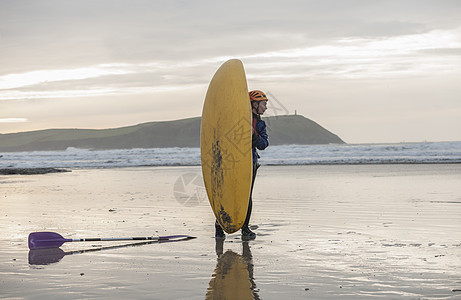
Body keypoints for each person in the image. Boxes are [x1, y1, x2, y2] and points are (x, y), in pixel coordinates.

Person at [215, 90, 269, 240]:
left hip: (250, 164)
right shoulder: (236, 121)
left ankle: (245, 228)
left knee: (246, 197)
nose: (265, 108)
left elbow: (264, 144)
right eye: (264, 104)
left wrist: (254, 135)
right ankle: (219, 228)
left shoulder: (259, 124)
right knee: (227, 195)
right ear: (254, 104)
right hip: (231, 163)